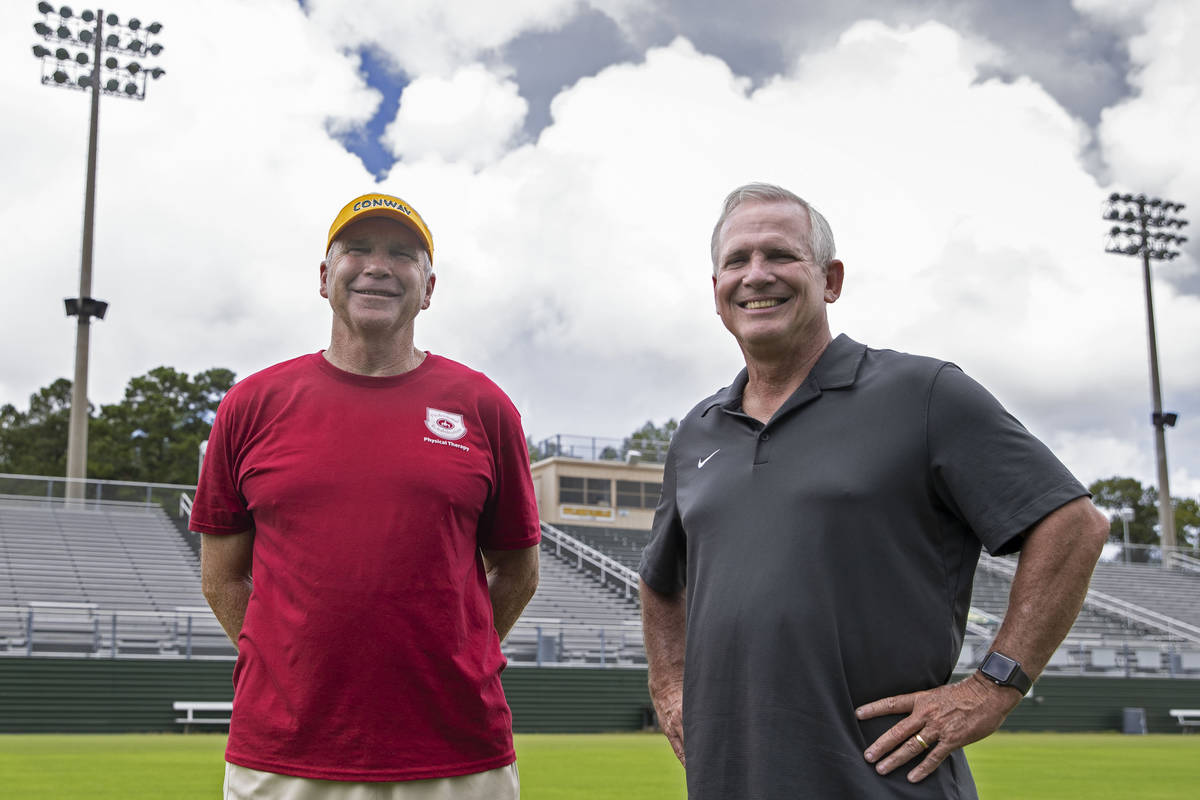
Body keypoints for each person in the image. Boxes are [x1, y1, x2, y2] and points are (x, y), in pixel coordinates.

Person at [639, 182, 1109, 798]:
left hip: (884, 782)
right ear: (717, 292)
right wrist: (671, 691)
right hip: (728, 779)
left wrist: (994, 686)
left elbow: (1075, 525)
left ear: (830, 279)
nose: (756, 275)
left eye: (780, 255)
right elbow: (659, 579)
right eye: (736, 261)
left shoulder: (924, 393)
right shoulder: (698, 431)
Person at [192, 192, 541, 799]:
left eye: (403, 254)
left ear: (429, 289)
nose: (378, 265)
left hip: (457, 753)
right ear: (325, 277)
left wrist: (456, 655)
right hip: (283, 756)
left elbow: (518, 570)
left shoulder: (484, 406)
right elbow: (222, 576)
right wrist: (289, 668)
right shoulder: (250, 406)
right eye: (358, 248)